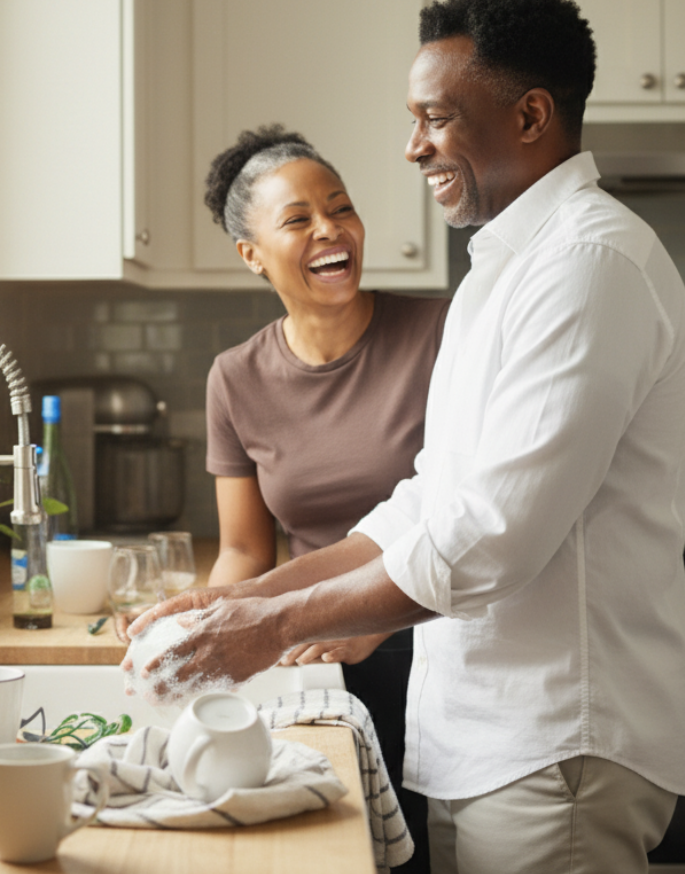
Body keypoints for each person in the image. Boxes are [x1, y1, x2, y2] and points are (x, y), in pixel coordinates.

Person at [127, 0, 685, 874]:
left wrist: (269, 631)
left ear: (530, 115)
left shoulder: (589, 265)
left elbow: (490, 537)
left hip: (555, 742)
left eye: (435, 118)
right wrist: (247, 600)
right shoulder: (503, 271)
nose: (411, 147)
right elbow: (432, 498)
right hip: (491, 738)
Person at [202, 124, 450, 871]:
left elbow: (464, 514)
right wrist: (208, 631)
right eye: (298, 219)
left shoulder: (442, 335)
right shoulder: (235, 378)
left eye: (339, 207)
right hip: (317, 665)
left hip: (442, 649)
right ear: (252, 255)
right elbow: (245, 549)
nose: (329, 229)